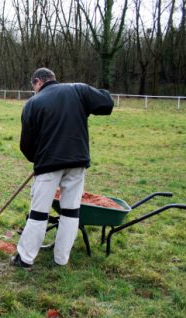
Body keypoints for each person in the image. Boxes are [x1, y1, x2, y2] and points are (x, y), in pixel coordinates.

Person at [11, 68, 114, 267]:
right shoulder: (78, 90)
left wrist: (36, 159)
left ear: (38, 82)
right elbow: (107, 102)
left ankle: (25, 259)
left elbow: (26, 145)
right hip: (77, 162)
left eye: (34, 86)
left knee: (39, 213)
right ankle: (61, 259)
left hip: (48, 165)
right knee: (70, 211)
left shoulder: (33, 103)